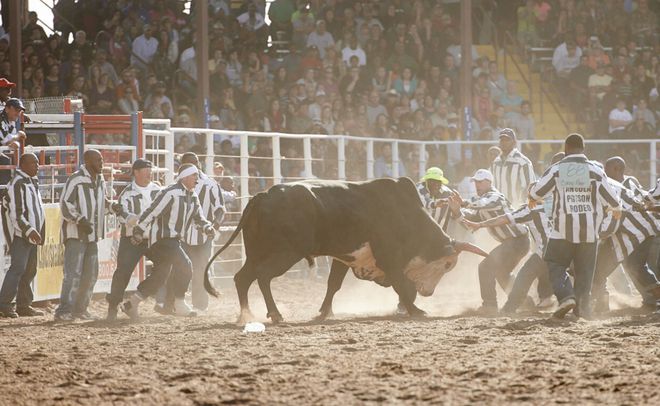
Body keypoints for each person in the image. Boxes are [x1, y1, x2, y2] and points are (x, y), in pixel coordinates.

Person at [529, 133, 622, 319]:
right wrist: (615, 212)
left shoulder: (556, 169)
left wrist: (531, 196)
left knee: (555, 264)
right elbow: (614, 201)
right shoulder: (596, 171)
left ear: (566, 148)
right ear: (583, 148)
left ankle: (565, 297)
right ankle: (582, 310)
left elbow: (537, 192)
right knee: (585, 273)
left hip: (561, 230)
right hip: (589, 233)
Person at [120, 164, 215, 319]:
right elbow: (152, 211)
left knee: (160, 276)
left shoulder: (192, 195)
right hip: (162, 240)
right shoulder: (170, 193)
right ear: (184, 177)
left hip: (173, 241)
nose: (197, 179)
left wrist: (207, 227)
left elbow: (199, 218)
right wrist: (138, 231)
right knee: (186, 266)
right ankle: (179, 304)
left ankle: (131, 303)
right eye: (194, 176)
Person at [449, 169, 530, 314]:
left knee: (486, 267)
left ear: (489, 182)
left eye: (480, 182)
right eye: (475, 182)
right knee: (501, 272)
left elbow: (482, 204)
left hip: (517, 241)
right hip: (516, 242)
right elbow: (471, 221)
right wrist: (457, 212)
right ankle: (524, 300)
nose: (477, 185)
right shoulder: (485, 201)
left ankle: (490, 305)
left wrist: (463, 203)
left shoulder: (495, 197)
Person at [591, 157, 660, 313]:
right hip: (633, 233)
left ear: (616, 169)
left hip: (639, 233)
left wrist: (599, 234)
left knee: (632, 266)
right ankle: (602, 302)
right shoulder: (623, 184)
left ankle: (601, 302)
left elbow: (617, 214)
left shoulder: (612, 185)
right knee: (633, 266)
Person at [165, 153, 225, 314]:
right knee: (181, 269)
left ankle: (198, 305)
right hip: (182, 235)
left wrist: (215, 226)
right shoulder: (176, 186)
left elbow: (220, 208)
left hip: (202, 236)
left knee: (199, 270)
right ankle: (173, 303)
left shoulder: (210, 185)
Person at [105, 159, 161, 321]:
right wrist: (135, 225)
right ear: (136, 172)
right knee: (123, 272)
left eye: (150, 171)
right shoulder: (127, 193)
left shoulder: (157, 190)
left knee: (165, 267)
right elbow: (123, 216)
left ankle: (137, 298)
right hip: (132, 239)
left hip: (152, 238)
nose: (149, 174)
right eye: (145, 171)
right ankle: (113, 305)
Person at [55, 149, 107, 321]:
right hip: (76, 234)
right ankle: (64, 310)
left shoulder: (100, 180)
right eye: (98, 160)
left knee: (91, 274)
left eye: (101, 160)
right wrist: (80, 219)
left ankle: (80, 309)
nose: (102, 163)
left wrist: (113, 206)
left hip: (92, 236)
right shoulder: (76, 179)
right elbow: (65, 203)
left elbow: (102, 202)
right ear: (88, 161)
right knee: (73, 273)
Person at [0, 153, 45, 318]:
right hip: (21, 234)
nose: (37, 166)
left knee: (29, 269)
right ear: (23, 165)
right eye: (33, 163)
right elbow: (16, 214)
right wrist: (29, 230)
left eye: (38, 163)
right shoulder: (18, 183)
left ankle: (24, 304)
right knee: (18, 268)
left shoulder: (32, 182)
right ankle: (4, 304)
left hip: (31, 233)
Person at [490, 128, 535, 208]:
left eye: (507, 140)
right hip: (499, 209)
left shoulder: (523, 162)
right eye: (502, 140)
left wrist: (524, 209)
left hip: (517, 210)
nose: (504, 142)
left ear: (514, 142)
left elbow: (530, 187)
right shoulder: (496, 162)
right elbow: (493, 186)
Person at [0, 98, 27, 186]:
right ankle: (4, 191)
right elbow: (6, 141)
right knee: (5, 161)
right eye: (16, 110)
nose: (18, 113)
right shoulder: (1, 119)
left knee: (8, 160)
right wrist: (19, 135)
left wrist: (14, 140)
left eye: (19, 111)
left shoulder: (11, 120)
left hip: (2, 151)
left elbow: (10, 141)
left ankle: (5, 191)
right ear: (7, 109)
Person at [417, 167, 453, 231]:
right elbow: (425, 200)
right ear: (426, 181)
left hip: (440, 232)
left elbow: (457, 205)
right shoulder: (418, 189)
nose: (436, 185)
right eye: (432, 181)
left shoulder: (448, 193)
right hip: (419, 229)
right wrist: (434, 204)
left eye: (438, 182)